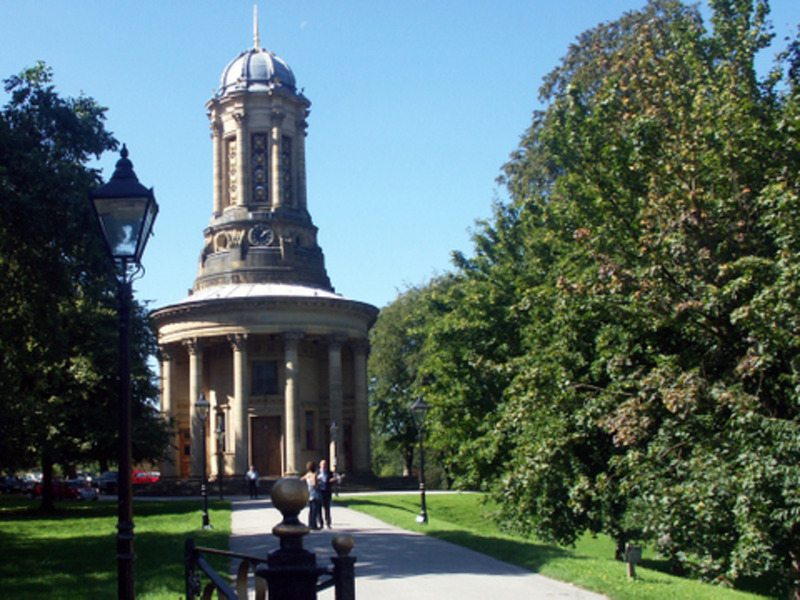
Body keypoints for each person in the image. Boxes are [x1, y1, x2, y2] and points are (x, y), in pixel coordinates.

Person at [317, 459, 337, 529]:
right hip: (319, 491)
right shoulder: (317, 472)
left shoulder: (329, 472)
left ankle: (328, 522)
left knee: (327, 508)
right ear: (320, 465)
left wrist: (332, 480)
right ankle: (320, 523)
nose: (324, 466)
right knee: (319, 508)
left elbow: (333, 479)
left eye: (325, 464)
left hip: (327, 491)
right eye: (322, 464)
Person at [301, 461, 320, 530]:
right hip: (314, 493)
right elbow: (314, 484)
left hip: (309, 492)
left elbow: (301, 479)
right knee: (315, 510)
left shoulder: (307, 475)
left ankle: (310, 524)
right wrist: (319, 483)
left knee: (311, 510)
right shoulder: (314, 475)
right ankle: (313, 525)